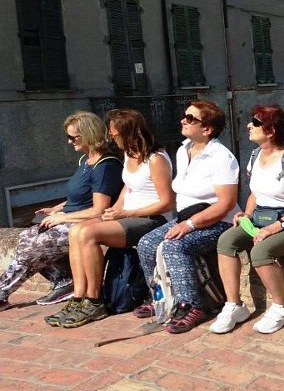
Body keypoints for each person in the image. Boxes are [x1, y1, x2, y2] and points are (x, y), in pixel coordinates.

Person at [47, 110, 174, 328]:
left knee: (88, 233)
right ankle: (79, 297)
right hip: (128, 217)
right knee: (77, 231)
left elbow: (167, 203)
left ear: (128, 133)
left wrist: (126, 214)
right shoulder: (129, 155)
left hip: (153, 220)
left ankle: (95, 300)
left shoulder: (155, 159)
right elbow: (128, 188)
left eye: (114, 134)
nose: (111, 137)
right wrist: (114, 210)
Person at [0, 112, 123, 313]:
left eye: (73, 137)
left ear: (89, 135)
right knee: (25, 237)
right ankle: (63, 280)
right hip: (70, 217)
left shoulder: (105, 166)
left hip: (87, 223)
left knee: (31, 247)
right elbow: (81, 196)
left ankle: (1, 293)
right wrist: (58, 208)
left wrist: (63, 217)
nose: (69, 142)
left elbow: (99, 209)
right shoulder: (85, 160)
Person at [135, 100, 239, 333]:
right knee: (146, 244)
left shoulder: (221, 157)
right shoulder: (183, 150)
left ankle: (192, 305)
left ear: (207, 128)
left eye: (191, 118)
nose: (183, 120)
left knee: (174, 247)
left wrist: (190, 225)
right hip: (186, 217)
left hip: (217, 221)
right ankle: (161, 299)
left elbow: (226, 203)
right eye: (185, 116)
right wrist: (186, 222)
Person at [210, 105, 284, 335]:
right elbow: (256, 193)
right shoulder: (255, 156)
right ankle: (234, 305)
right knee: (226, 241)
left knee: (260, 252)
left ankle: (282, 308)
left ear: (271, 131)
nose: (249, 125)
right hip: (260, 219)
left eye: (255, 123)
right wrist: (246, 215)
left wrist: (274, 228)